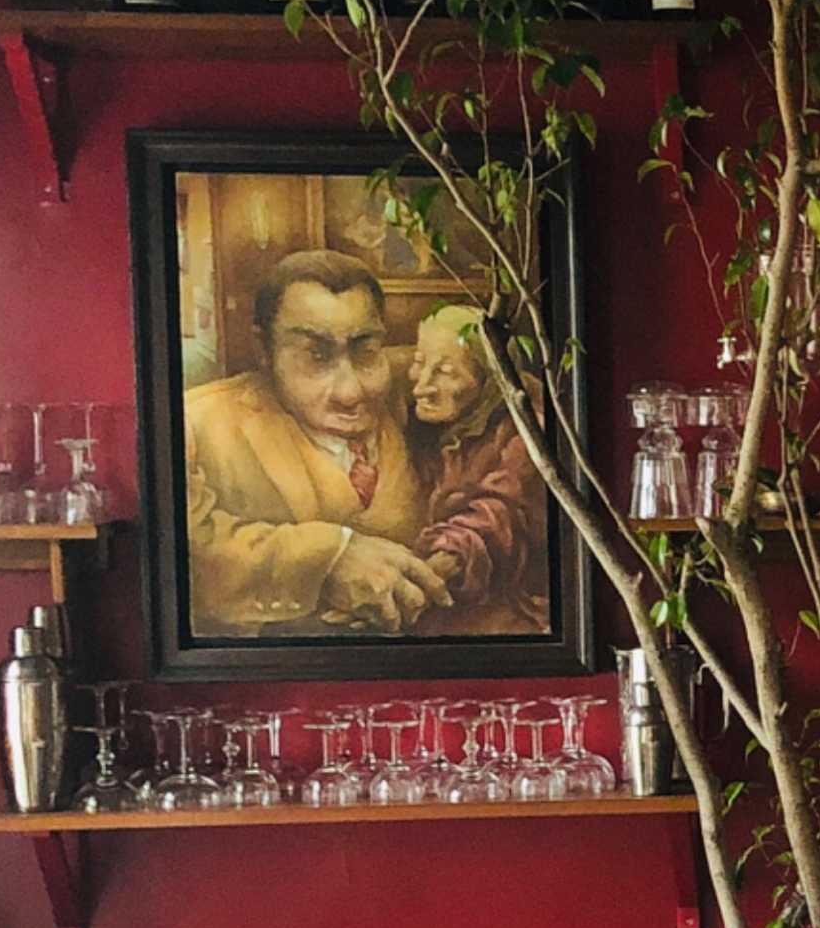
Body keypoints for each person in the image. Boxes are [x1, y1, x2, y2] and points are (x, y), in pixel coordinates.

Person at [184, 248, 446, 634]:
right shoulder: (196, 424)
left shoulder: (416, 389)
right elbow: (188, 553)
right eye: (316, 356)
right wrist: (329, 560)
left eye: (366, 351)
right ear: (264, 351)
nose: (350, 391)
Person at [408, 304, 550, 637]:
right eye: (418, 363)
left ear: (490, 381)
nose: (421, 386)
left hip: (507, 609)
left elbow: (498, 515)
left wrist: (432, 572)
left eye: (445, 371)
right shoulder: (425, 425)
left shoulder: (528, 432)